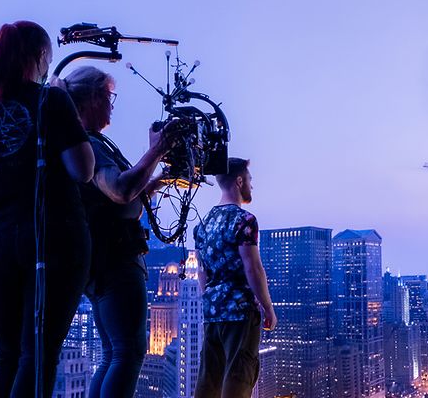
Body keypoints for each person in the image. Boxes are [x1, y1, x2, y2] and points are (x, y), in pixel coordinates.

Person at [0, 21, 95, 397]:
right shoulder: (51, 100)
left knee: (8, 354)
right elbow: (83, 170)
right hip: (53, 240)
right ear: (40, 57)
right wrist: (65, 107)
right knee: (39, 353)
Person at [56, 65, 178, 397]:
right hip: (115, 260)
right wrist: (157, 149)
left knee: (114, 353)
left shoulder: (91, 144)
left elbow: (119, 196)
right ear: (92, 97)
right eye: (109, 96)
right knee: (128, 352)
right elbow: (119, 191)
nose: (112, 104)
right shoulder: (89, 145)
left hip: (103, 260)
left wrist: (157, 181)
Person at [193, 158, 277, 398]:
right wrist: (268, 307)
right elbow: (253, 268)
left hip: (212, 312)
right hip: (240, 311)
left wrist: (209, 299)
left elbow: (202, 271)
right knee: (239, 375)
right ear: (239, 181)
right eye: (249, 180)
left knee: (208, 378)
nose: (251, 185)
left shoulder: (203, 224)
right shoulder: (244, 220)